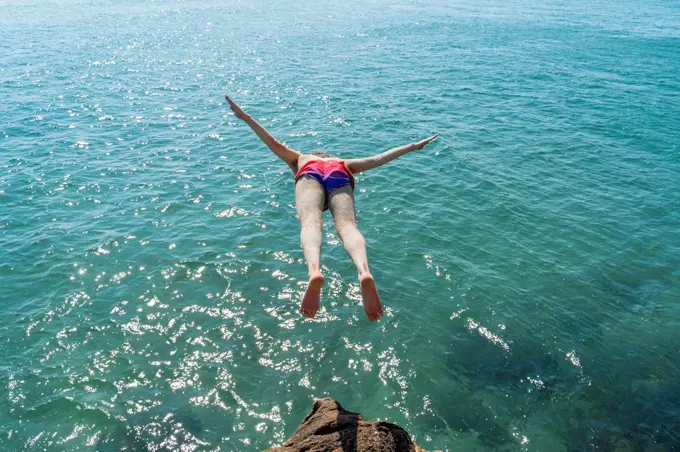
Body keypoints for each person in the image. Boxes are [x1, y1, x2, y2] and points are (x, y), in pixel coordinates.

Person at [225, 96, 437, 321]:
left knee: (310, 222)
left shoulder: (301, 159)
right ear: (327, 156)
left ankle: (314, 271)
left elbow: (274, 143)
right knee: (347, 226)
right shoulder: (342, 162)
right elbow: (379, 159)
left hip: (309, 175)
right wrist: (414, 146)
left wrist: (245, 117)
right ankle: (364, 271)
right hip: (340, 176)